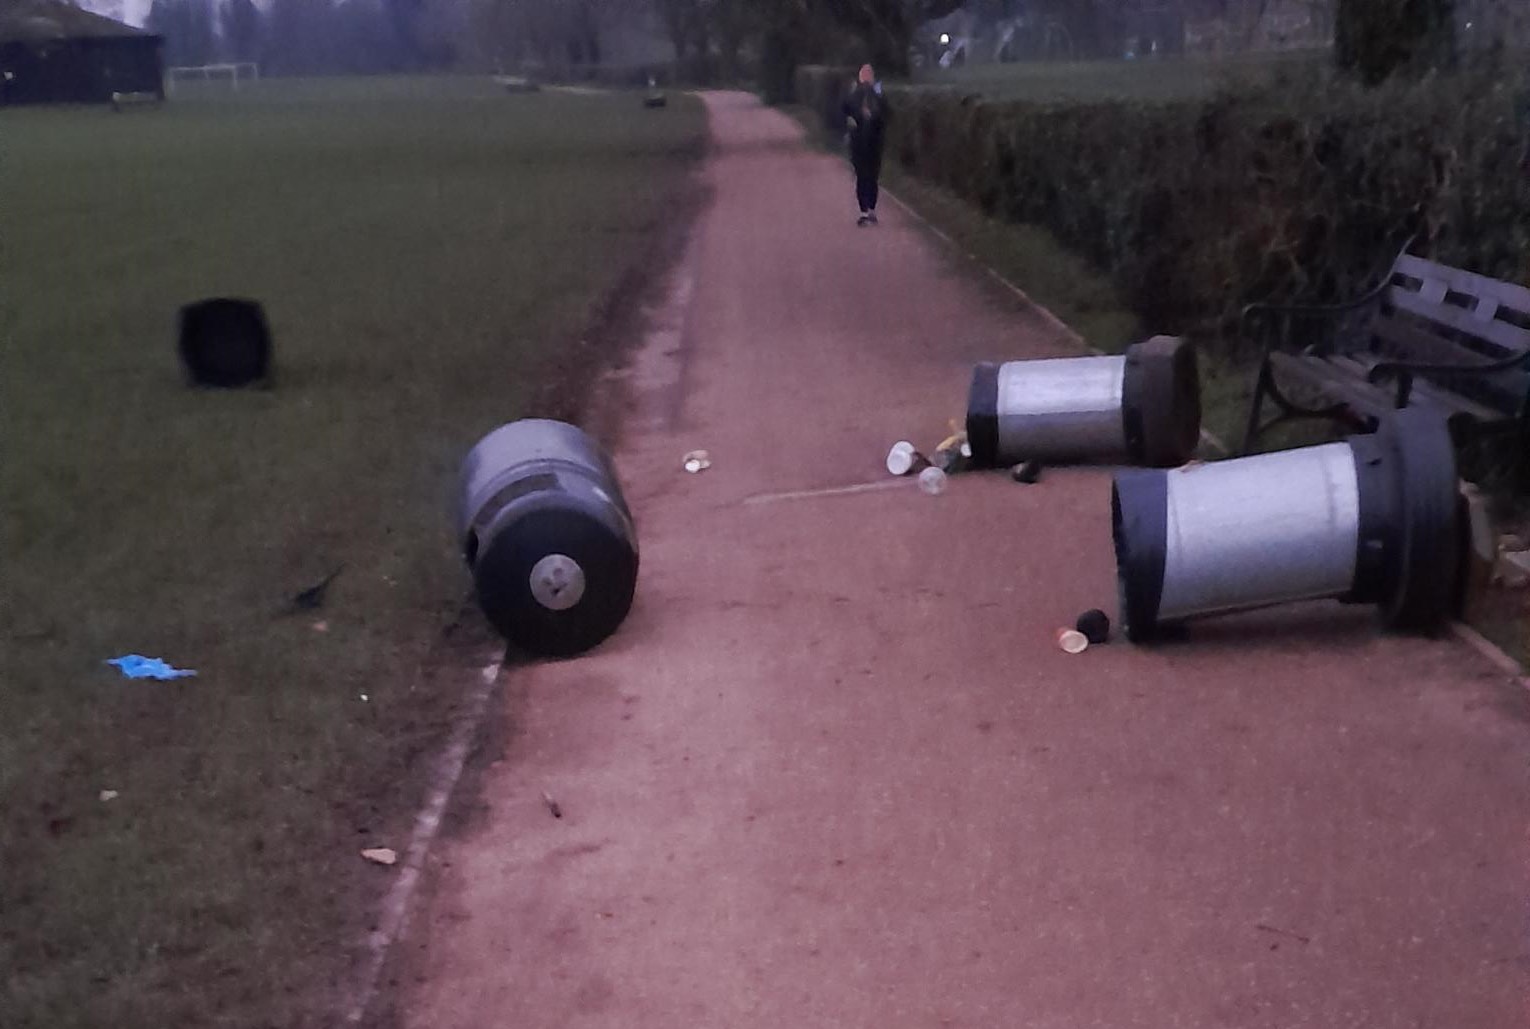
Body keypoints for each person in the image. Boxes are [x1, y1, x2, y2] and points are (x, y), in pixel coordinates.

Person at [842, 64, 889, 227]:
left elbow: (886, 115)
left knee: (872, 176)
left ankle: (870, 209)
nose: (867, 78)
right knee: (863, 176)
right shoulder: (854, 94)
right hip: (859, 142)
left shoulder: (878, 95)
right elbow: (845, 111)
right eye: (865, 75)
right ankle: (865, 210)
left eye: (869, 74)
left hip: (873, 142)